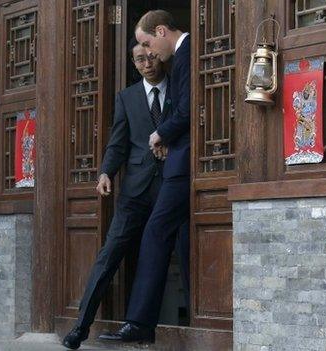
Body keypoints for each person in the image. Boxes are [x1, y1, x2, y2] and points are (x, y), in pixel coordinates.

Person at [62, 38, 170, 350]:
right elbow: (118, 141)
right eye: (139, 60)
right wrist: (106, 171)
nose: (146, 64)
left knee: (170, 254)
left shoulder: (179, 88)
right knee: (109, 256)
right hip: (134, 191)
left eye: (150, 57)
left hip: (170, 187)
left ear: (160, 57)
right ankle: (80, 329)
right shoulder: (127, 97)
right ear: (134, 64)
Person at [98, 10, 191, 344]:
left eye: (148, 43)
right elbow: (119, 142)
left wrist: (160, 135)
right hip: (168, 170)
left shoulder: (185, 56)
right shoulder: (179, 59)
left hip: (182, 169)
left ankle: (140, 322)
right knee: (175, 239)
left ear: (162, 31)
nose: (149, 53)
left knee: (158, 234)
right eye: (141, 50)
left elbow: (187, 110)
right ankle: (147, 322)